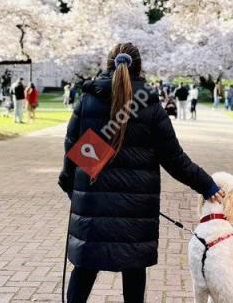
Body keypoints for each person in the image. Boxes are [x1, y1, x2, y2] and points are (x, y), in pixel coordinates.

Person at [58, 42, 224, 303]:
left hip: (92, 201)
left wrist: (71, 187)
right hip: (136, 207)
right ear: (138, 68)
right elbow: (175, 159)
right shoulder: (149, 106)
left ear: (108, 64)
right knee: (134, 272)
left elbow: (72, 152)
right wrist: (208, 185)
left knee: (85, 268)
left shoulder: (88, 100)